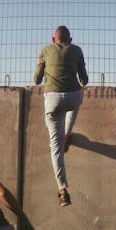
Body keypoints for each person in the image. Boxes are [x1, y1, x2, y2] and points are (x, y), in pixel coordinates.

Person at [33, 26, 88, 207]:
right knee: (75, 105)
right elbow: (84, 79)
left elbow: (37, 79)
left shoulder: (45, 50)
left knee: (55, 147)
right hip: (73, 96)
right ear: (70, 40)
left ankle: (62, 189)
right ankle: (67, 133)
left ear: (53, 39)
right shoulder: (77, 49)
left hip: (52, 100)